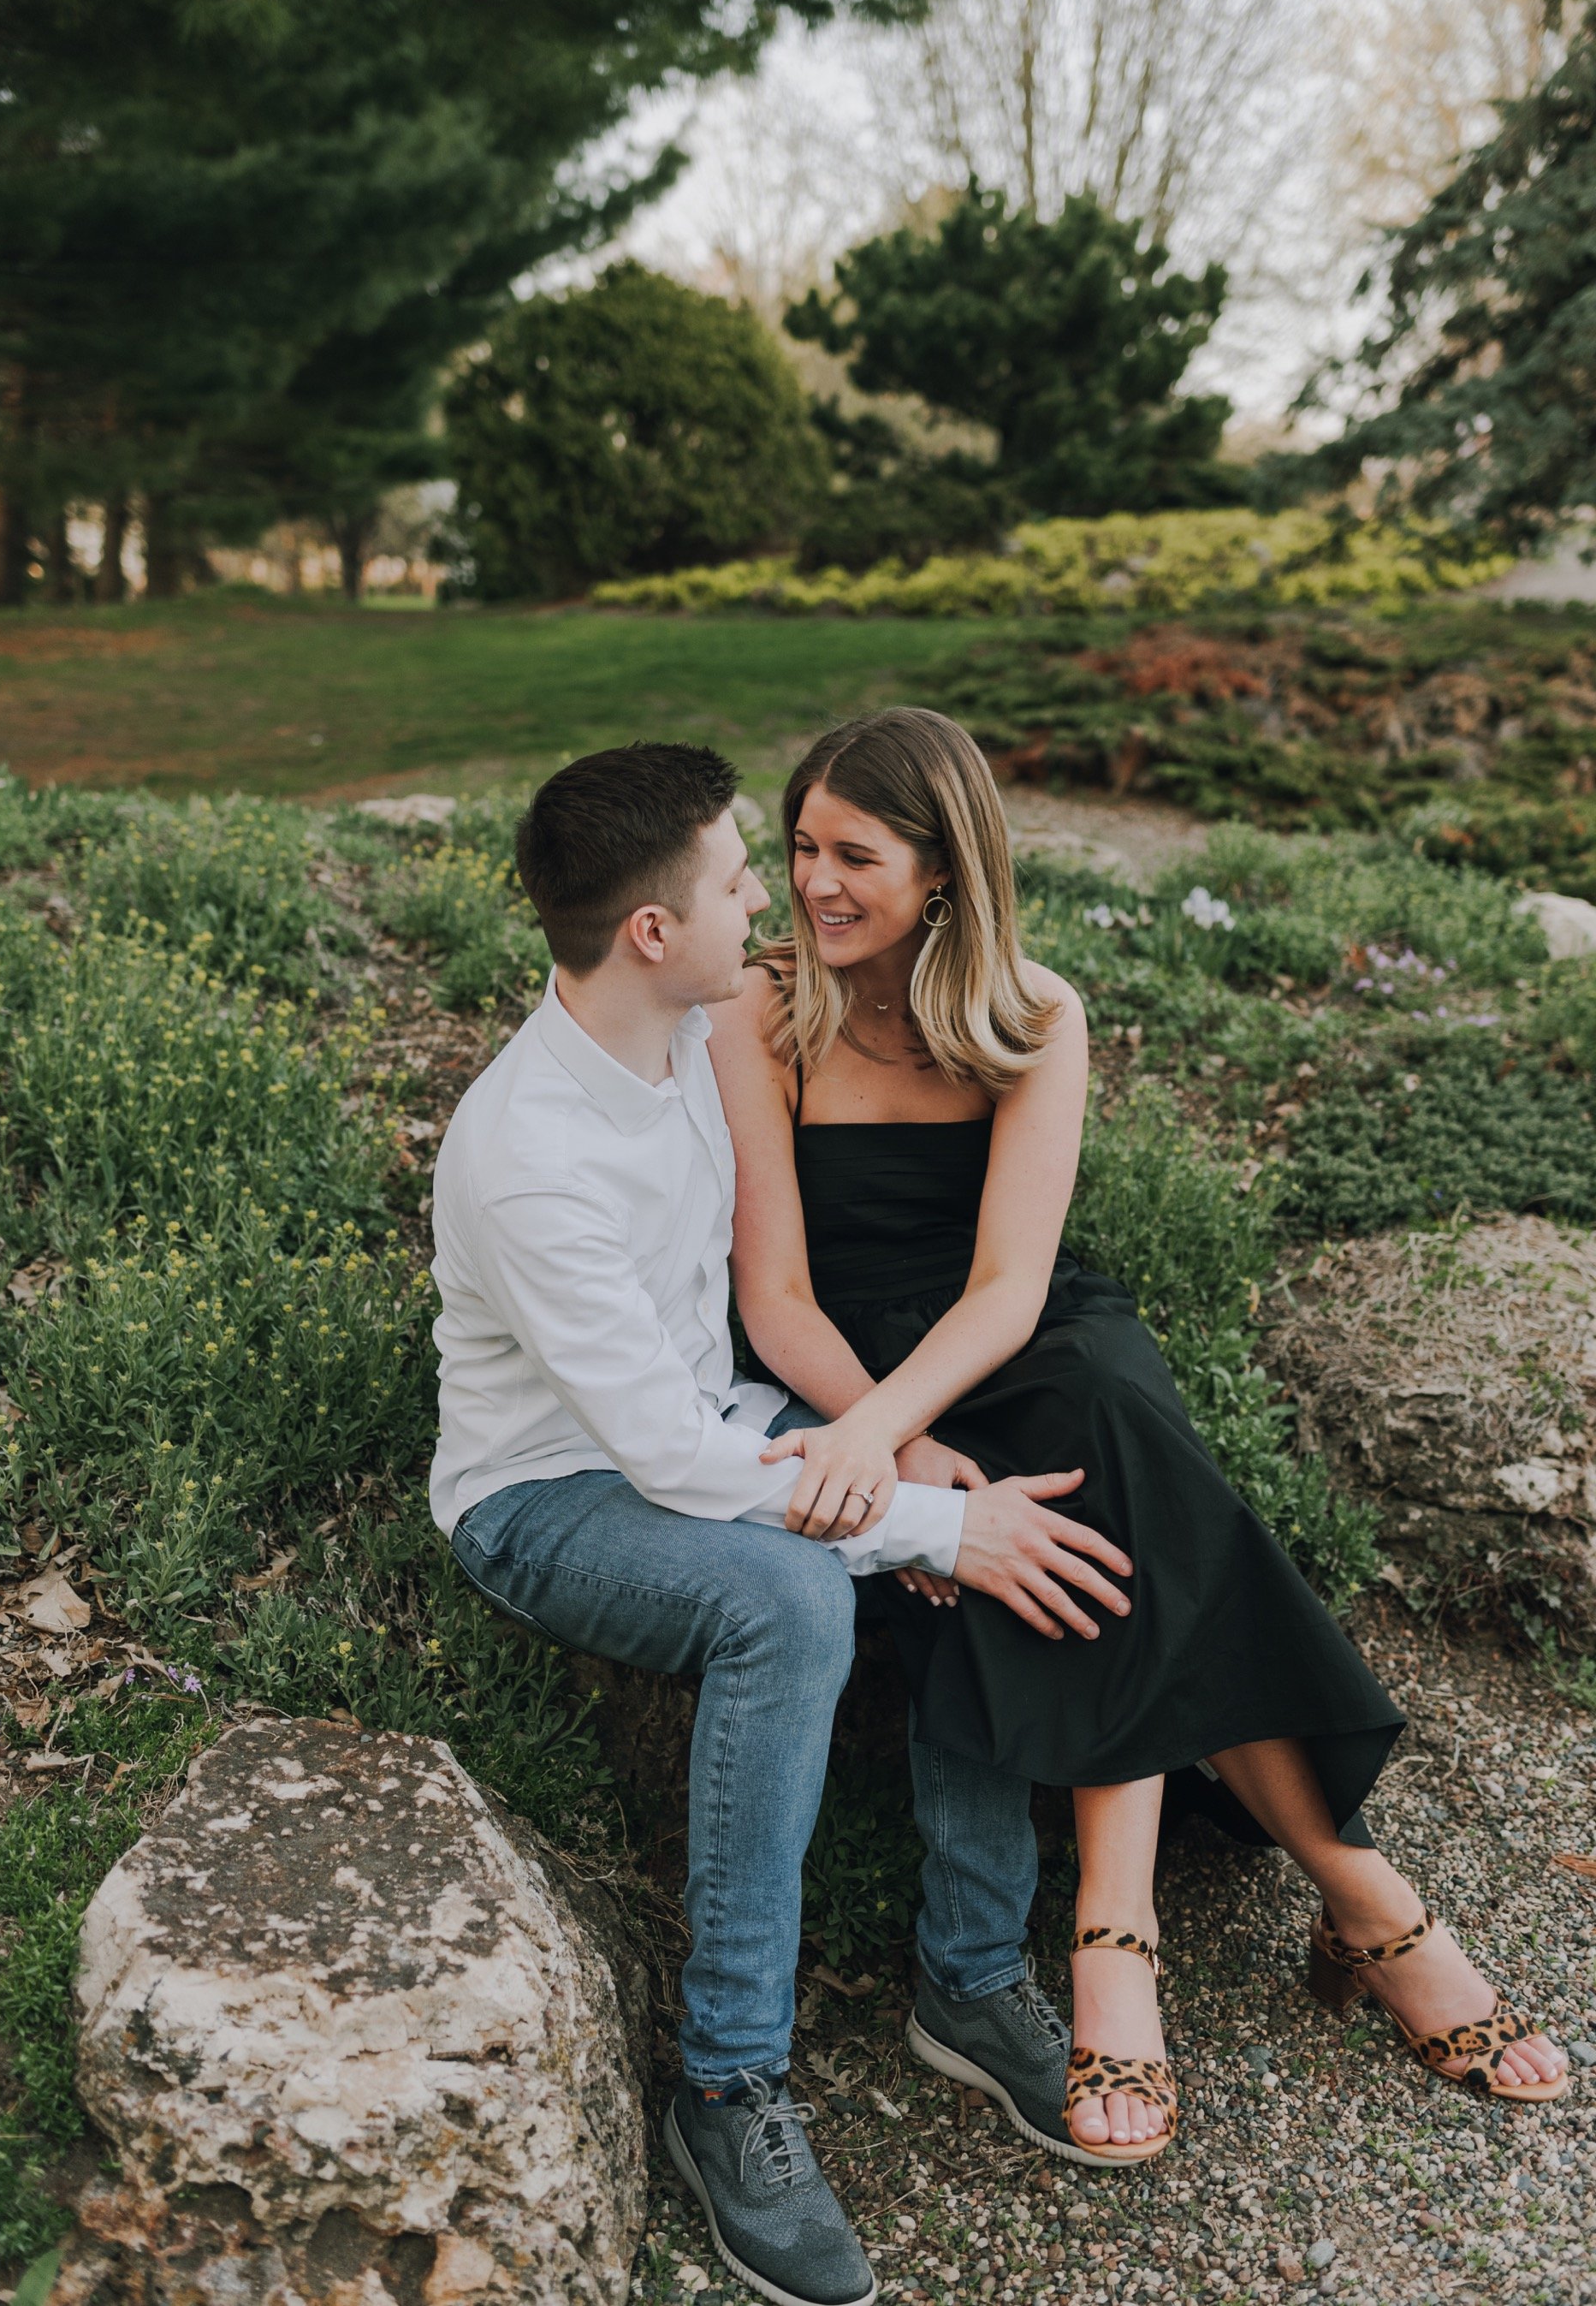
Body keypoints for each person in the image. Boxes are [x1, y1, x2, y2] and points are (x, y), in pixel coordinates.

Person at [709, 706, 1569, 2168]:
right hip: (842, 1358)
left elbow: (1010, 1288)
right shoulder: (760, 1006)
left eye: (854, 853)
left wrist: (907, 1426)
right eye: (799, 847)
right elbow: (773, 1294)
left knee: (1097, 1412)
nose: (812, 882)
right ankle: (1362, 1895)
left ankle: (1124, 1926)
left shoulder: (1035, 1012)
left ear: (946, 869)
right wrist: (891, 1442)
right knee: (1116, 1475)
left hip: (1007, 1339)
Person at [430, 741, 1143, 2306]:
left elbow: (743, 1359)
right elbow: (666, 1459)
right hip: (551, 1497)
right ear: (650, 933)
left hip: (720, 1427)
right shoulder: (526, 1159)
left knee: (948, 1502)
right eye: (741, 876)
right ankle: (729, 2081)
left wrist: (927, 1492)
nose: (776, 897)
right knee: (810, 1594)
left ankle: (968, 1973)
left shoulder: (690, 1032)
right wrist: (921, 1527)